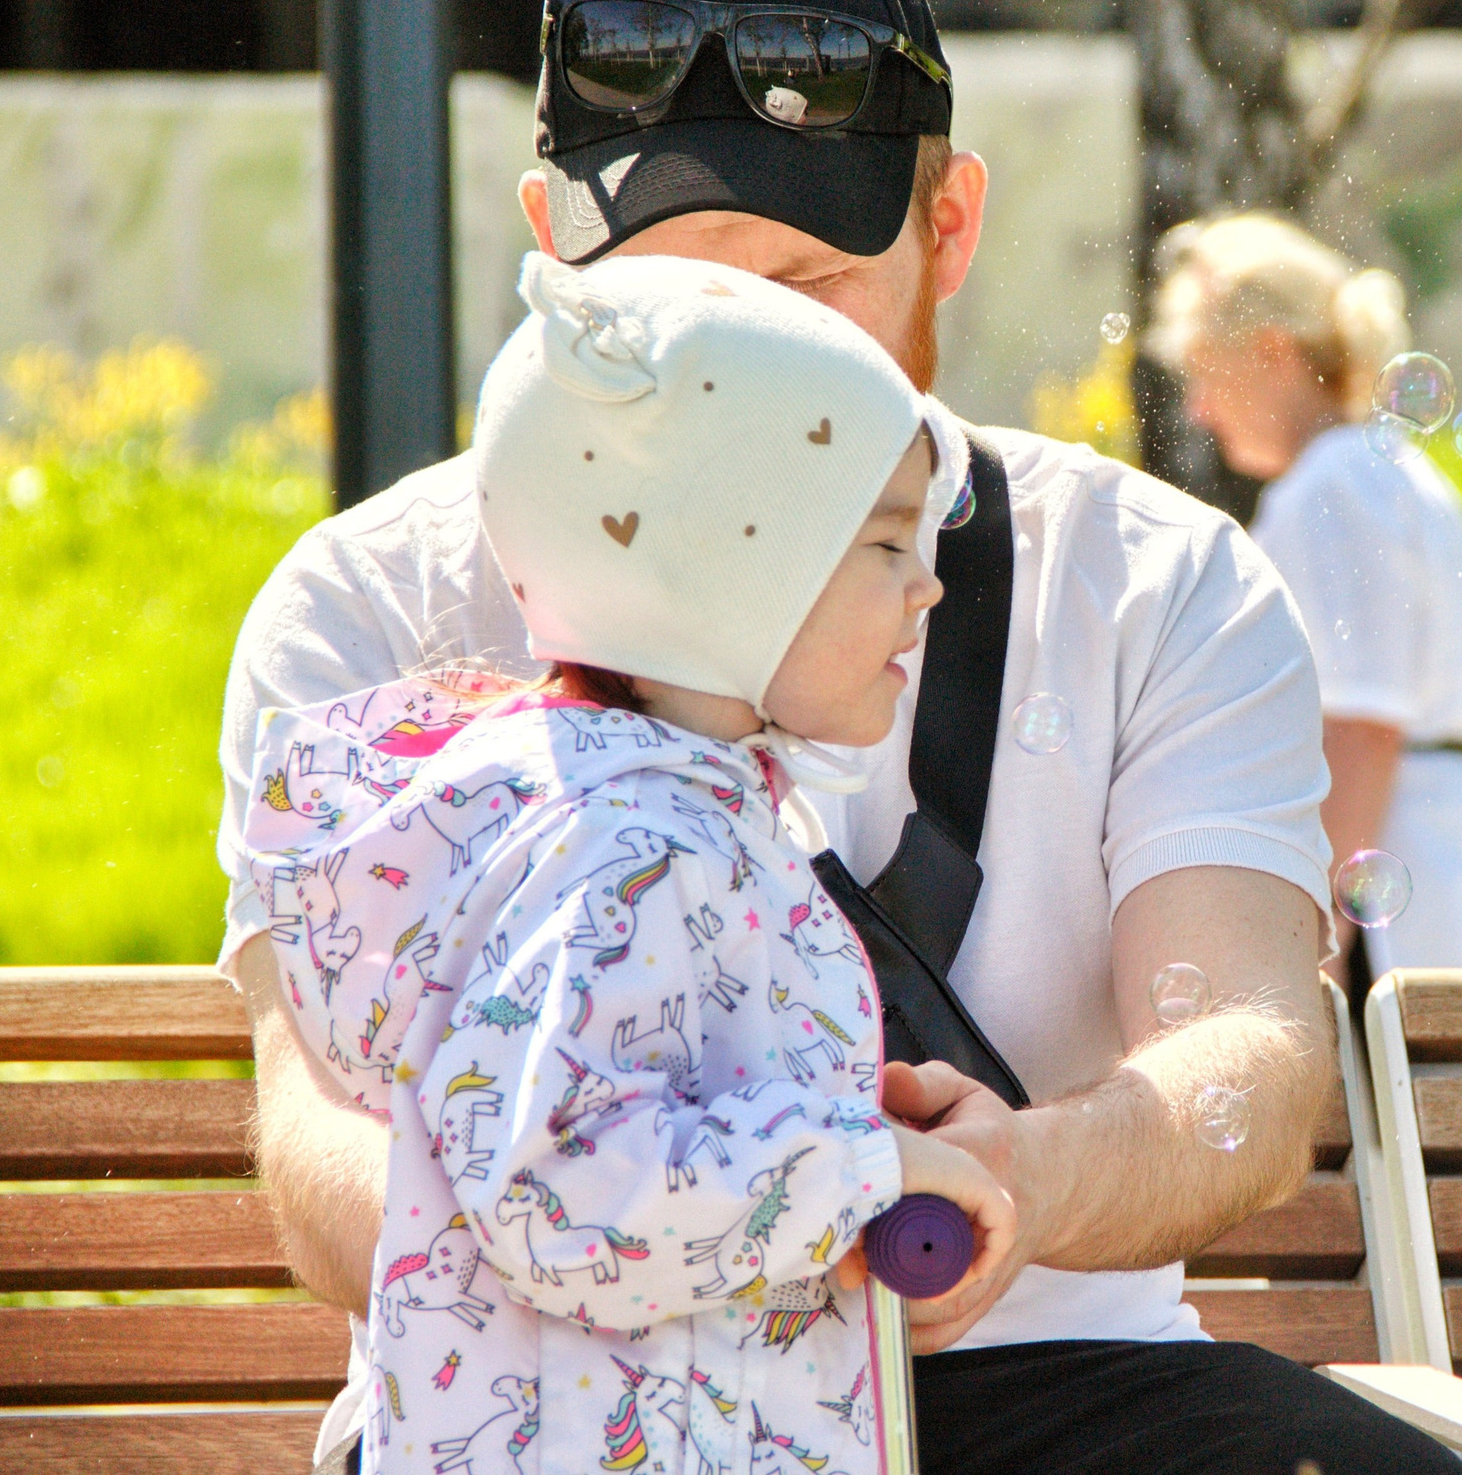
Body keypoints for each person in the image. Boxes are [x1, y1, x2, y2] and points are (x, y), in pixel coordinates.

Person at [216, 0, 1462, 1474]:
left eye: (806, 294)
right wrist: (749, 1219)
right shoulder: (368, 601)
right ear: (552, 242)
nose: (738, 364)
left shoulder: (1157, 576)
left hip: (1055, 1372)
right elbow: (324, 1134)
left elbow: (1249, 1051)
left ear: (949, 230)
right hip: (557, 1404)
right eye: (670, 299)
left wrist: (1021, 1176)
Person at [243, 251, 1016, 1474]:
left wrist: (807, 1125)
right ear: (725, 571)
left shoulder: (654, 812)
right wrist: (859, 1170)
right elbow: (563, 1193)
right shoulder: (631, 849)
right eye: (878, 543)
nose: (927, 584)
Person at [1149, 214, 1462, 977]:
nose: (1197, 410)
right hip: (1432, 859)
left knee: (1388, 1094)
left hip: (1388, 868)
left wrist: (1313, 953)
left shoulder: (1334, 483)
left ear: (1272, 352)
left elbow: (1360, 726)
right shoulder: (1379, 468)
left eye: (1201, 372)